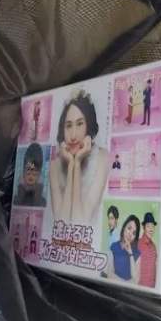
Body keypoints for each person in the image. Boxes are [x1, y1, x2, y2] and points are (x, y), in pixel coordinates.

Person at [49, 89, 109, 225]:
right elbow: (61, 224)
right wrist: (72, 165)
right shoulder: (55, 165)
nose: (73, 135)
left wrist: (77, 163)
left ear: (88, 125)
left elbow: (80, 222)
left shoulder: (102, 158)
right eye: (68, 126)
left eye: (80, 123)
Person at [106, 215, 141, 283]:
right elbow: (110, 274)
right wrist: (127, 283)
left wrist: (130, 253)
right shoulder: (114, 247)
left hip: (127, 289)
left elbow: (136, 280)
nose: (130, 234)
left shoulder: (137, 253)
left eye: (134, 233)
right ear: (124, 227)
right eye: (129, 228)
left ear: (135, 237)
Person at [15, 142, 47, 207]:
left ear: (39, 175)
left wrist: (37, 192)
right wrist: (21, 190)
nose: (31, 176)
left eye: (34, 174)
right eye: (28, 173)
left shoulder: (42, 200)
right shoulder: (18, 196)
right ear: (23, 173)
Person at [138, 212, 158, 288]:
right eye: (148, 226)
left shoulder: (154, 246)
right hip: (141, 288)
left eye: (152, 226)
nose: (151, 229)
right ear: (144, 227)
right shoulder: (138, 244)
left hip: (152, 288)